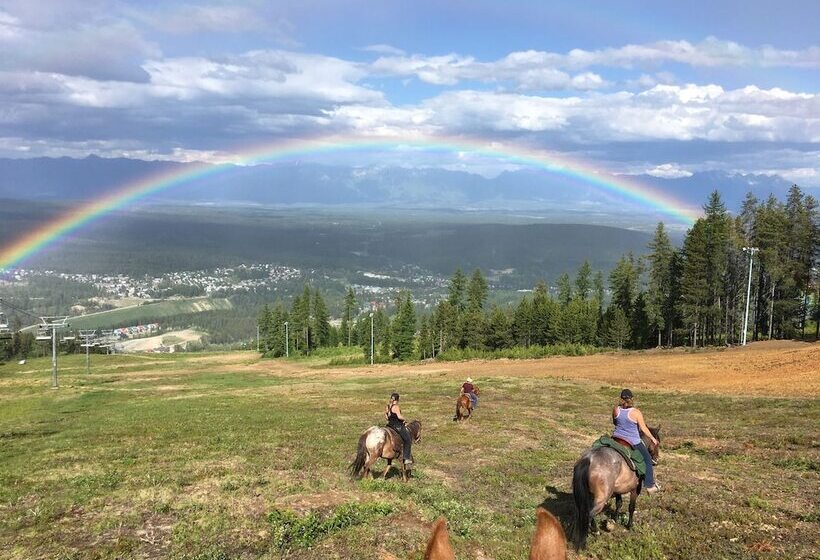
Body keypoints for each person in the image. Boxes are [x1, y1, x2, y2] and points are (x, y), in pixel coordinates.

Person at [612, 388, 661, 494]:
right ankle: (649, 485)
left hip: (616, 438)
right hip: (632, 441)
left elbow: (615, 422)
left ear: (621, 398)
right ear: (632, 398)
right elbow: (643, 429)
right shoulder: (636, 412)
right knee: (647, 459)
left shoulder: (616, 409)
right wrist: (653, 438)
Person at [385, 392, 413, 465]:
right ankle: (406, 458)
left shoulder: (388, 406)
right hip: (397, 426)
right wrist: (405, 419)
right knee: (408, 440)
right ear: (397, 399)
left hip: (389, 425)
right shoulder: (396, 406)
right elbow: (399, 417)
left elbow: (386, 416)